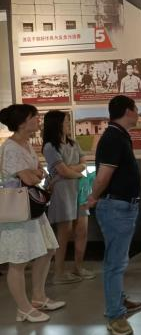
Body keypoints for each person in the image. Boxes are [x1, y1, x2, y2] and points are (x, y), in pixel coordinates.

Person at [85, 95, 141, 335]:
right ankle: (114, 315)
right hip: (115, 207)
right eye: (136, 109)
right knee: (115, 263)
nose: (138, 114)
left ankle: (118, 300)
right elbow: (103, 176)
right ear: (127, 111)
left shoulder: (119, 135)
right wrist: (93, 197)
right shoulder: (112, 137)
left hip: (123, 206)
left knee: (119, 260)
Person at [0, 104, 64, 323]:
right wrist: (34, 174)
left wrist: (34, 173)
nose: (38, 120)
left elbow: (39, 172)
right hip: (18, 210)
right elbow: (29, 178)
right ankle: (23, 308)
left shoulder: (26, 144)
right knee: (18, 260)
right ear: (21, 122)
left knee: (48, 249)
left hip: (32, 206)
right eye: (34, 117)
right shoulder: (11, 147)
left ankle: (38, 297)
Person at [42, 110, 95, 285]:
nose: (67, 124)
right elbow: (63, 171)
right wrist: (76, 172)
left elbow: (83, 164)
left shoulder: (73, 143)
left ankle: (78, 267)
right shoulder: (50, 146)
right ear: (56, 124)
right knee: (64, 232)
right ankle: (59, 273)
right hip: (62, 192)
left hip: (79, 190)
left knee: (82, 230)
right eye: (65, 121)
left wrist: (70, 170)